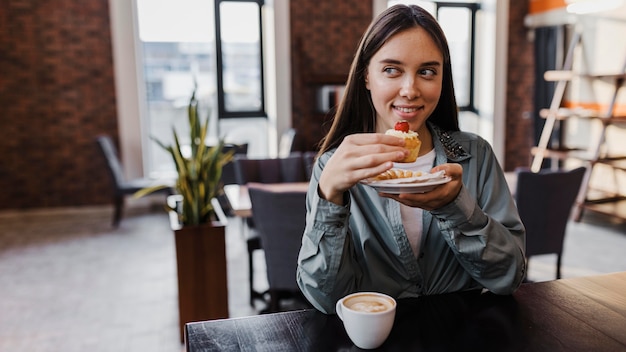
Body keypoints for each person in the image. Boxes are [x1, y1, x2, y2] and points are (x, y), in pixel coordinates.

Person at [296, 4, 526, 314]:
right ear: (366, 75)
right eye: (392, 70)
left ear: (442, 78)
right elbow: (326, 299)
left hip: (463, 334)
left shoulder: (477, 156)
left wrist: (457, 208)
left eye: (427, 71)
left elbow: (509, 277)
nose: (410, 90)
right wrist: (330, 198)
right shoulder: (335, 167)